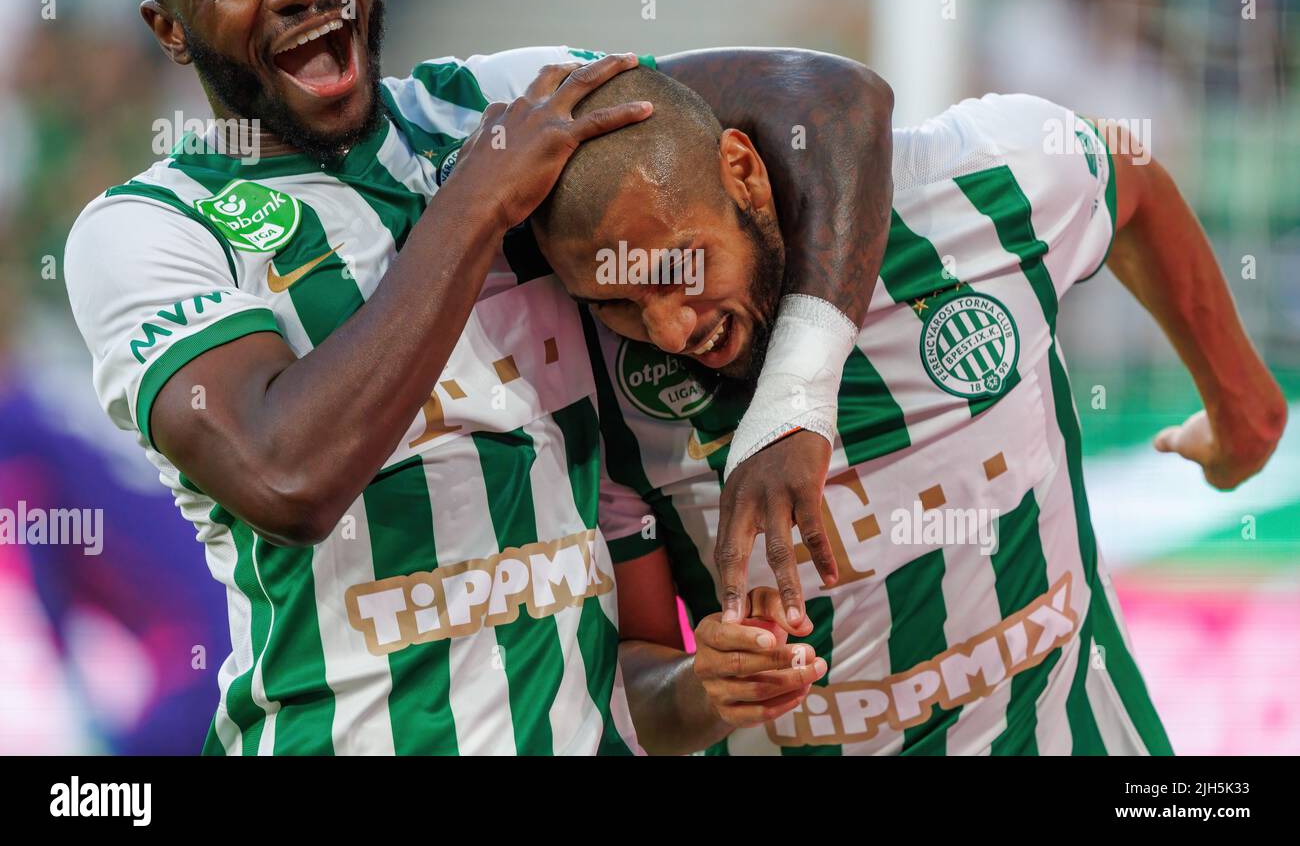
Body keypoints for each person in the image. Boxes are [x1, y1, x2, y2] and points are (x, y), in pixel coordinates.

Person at [62, 0, 893, 754]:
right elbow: (286, 477)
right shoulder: (145, 232)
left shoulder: (489, 105)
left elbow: (833, 102)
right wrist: (475, 205)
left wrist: (793, 404)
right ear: (169, 29)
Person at [530, 65, 1287, 755]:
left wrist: (1240, 401)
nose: (669, 327)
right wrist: (703, 690)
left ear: (743, 172)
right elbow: (634, 687)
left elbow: (1122, 172)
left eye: (678, 268)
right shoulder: (597, 382)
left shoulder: (976, 192)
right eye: (618, 301)